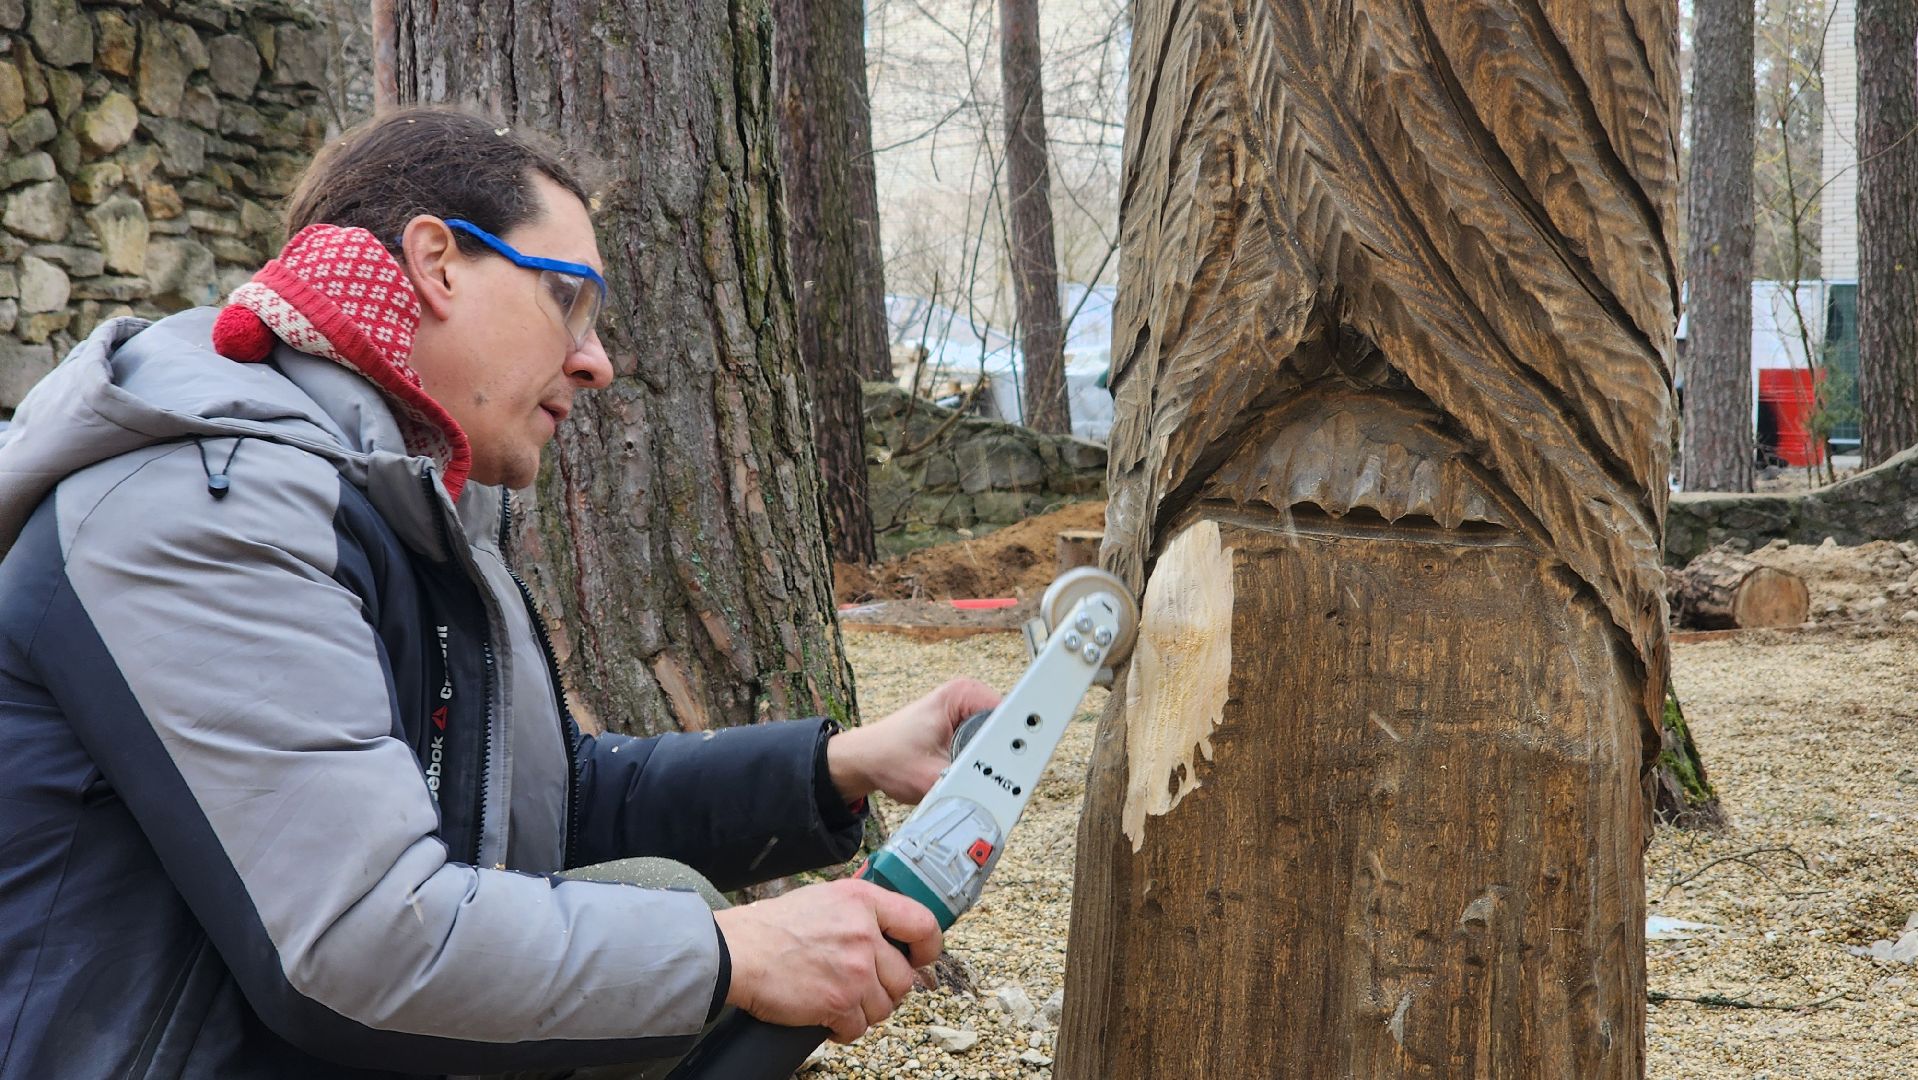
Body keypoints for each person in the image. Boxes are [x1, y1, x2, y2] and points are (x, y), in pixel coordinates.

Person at [0, 105, 1000, 1079]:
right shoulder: (205, 508)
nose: (597, 361)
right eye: (567, 296)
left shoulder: (404, 510)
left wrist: (844, 766)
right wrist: (734, 955)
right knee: (683, 939)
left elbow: (549, 802)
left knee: (656, 900)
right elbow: (356, 943)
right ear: (436, 263)